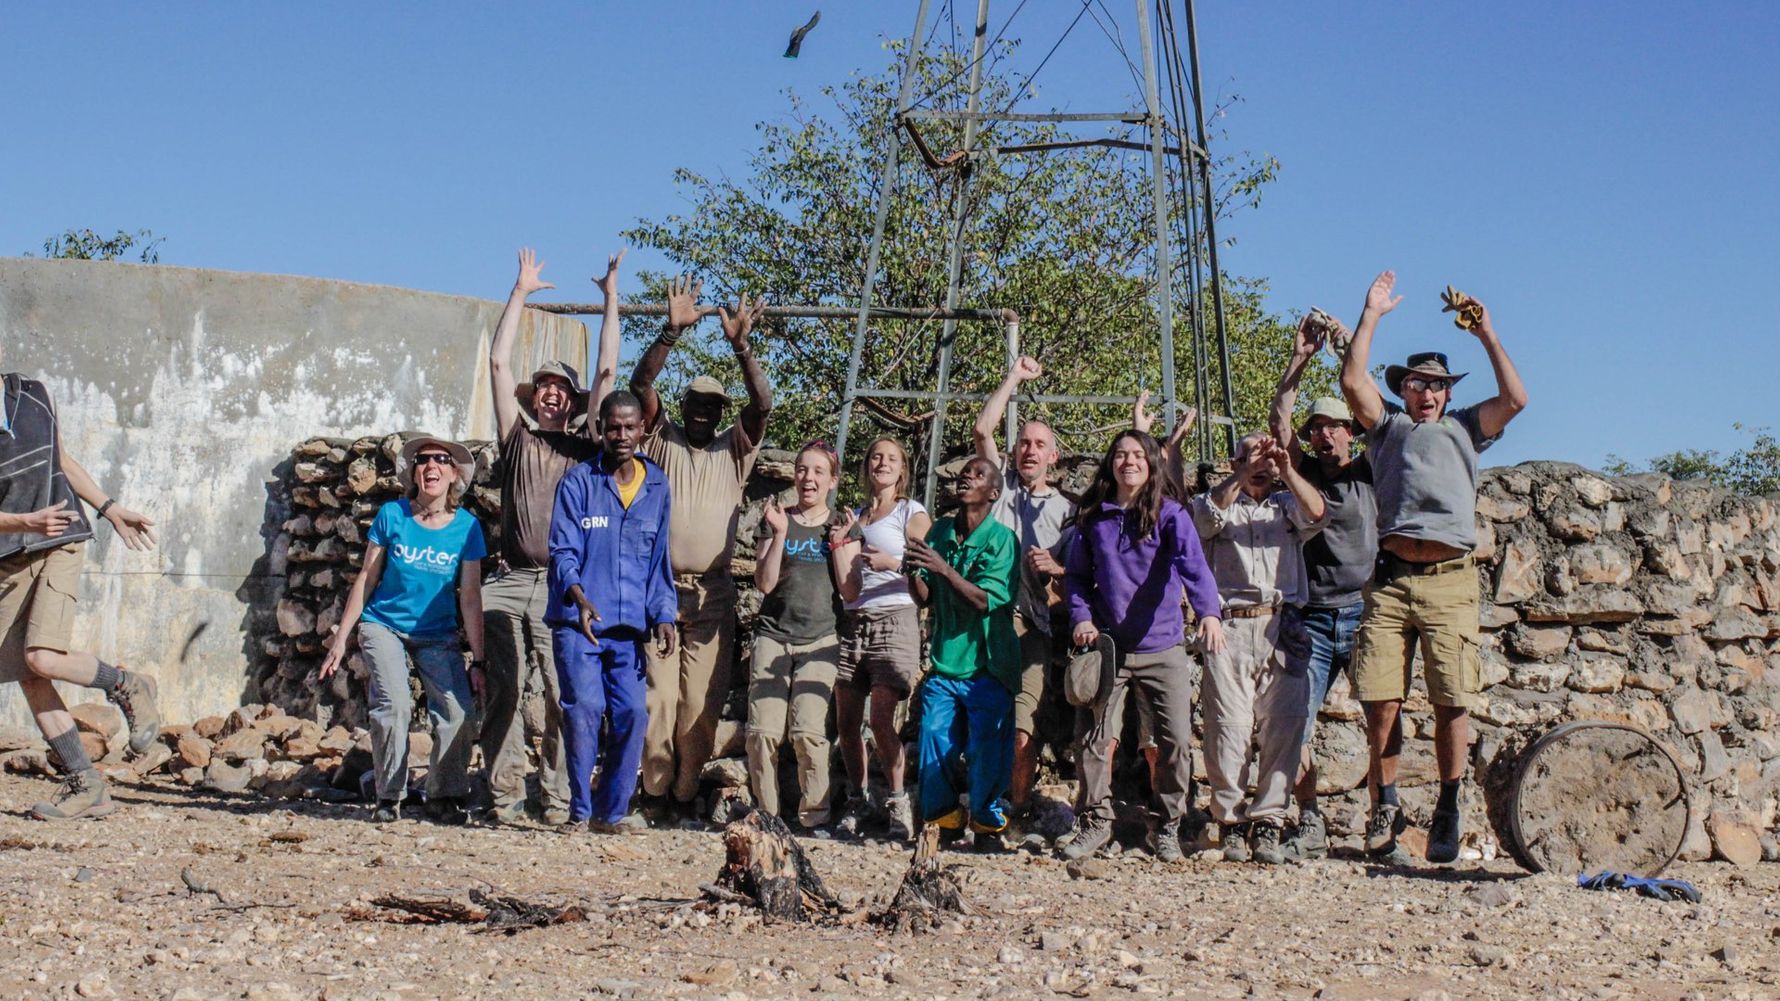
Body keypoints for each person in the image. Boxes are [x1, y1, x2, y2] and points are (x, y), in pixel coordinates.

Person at [1339, 270, 1528, 864]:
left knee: (1452, 701)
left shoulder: (1468, 429)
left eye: (1437, 385)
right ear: (1406, 388)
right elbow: (1352, 381)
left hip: (1450, 581)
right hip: (1392, 580)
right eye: (1418, 383)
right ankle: (1386, 806)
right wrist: (1370, 314)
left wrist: (1488, 333)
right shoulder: (1390, 427)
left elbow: (1516, 400)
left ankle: (1448, 807)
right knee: (1382, 699)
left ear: (1447, 394)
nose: (1427, 393)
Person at [478, 246, 625, 827]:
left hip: (564, 585)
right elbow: (496, 363)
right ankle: (502, 795)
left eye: (562, 387)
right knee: (503, 693)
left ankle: (559, 797)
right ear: (534, 397)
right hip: (510, 578)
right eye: (543, 385)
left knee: (568, 695)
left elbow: (608, 374)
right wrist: (520, 292)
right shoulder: (519, 439)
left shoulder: (588, 449)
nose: (552, 393)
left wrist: (611, 300)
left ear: (573, 401)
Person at [630, 277, 772, 822]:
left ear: (721, 414)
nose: (701, 413)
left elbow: (763, 403)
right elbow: (641, 384)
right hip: (661, 591)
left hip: (712, 596)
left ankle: (685, 796)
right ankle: (655, 794)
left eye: (712, 407)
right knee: (655, 702)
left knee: (699, 710)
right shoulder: (660, 441)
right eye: (694, 403)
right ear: (682, 406)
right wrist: (670, 332)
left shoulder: (733, 451)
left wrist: (741, 345)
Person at [0, 369, 161, 820]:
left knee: (42, 658)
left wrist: (110, 510)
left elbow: (62, 461)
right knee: (28, 674)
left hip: (60, 541)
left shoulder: (31, 394)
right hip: (11, 551)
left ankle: (127, 684)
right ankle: (86, 783)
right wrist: (22, 522)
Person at [1062, 430, 1223, 863]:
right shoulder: (1093, 518)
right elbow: (1075, 577)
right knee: (1097, 738)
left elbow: (1195, 566)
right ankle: (1095, 821)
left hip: (1164, 646)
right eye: (1120, 454)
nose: (1128, 462)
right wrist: (1082, 618)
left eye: (1137, 454)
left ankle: (1168, 824)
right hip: (1108, 648)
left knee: (1174, 742)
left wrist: (1209, 612)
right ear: (1110, 464)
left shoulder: (1171, 515)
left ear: (1152, 463)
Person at [322, 437, 487, 825]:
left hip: (437, 633)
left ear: (454, 474)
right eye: (423, 461)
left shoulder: (467, 528)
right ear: (414, 473)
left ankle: (443, 795)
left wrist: (478, 660)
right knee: (393, 703)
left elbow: (471, 597)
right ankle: (389, 795)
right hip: (384, 625)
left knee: (457, 713)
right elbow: (367, 577)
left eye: (441, 460)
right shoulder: (392, 516)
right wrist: (341, 639)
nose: (431, 467)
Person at [1269, 315, 1378, 860]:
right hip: (1311, 615)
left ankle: (1383, 825)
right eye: (1316, 427)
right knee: (1296, 722)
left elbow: (1370, 404)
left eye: (1333, 425)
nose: (1323, 432)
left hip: (1364, 614)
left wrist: (1342, 347)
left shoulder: (1373, 471)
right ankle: (1308, 822)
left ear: (1350, 432)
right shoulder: (1304, 472)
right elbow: (1278, 419)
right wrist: (1299, 358)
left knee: (1385, 720)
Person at [547, 391, 679, 833]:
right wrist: (579, 595)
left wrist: (664, 613)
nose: (621, 435)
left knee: (632, 714)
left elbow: (658, 559)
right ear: (600, 429)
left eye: (629, 427)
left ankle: (613, 812)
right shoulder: (578, 483)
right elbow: (563, 550)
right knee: (584, 707)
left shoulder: (657, 486)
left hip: (628, 629)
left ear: (643, 429)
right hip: (578, 624)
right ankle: (580, 811)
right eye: (612, 427)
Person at [1192, 432, 1326, 864]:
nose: (1261, 464)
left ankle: (1269, 820)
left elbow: (1319, 512)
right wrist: (1243, 471)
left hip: (1280, 623)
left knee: (1284, 726)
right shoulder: (1217, 503)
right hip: (1229, 627)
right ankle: (1230, 821)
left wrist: (1287, 468)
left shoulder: (1286, 505)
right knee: (1227, 728)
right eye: (1252, 455)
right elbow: (1201, 521)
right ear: (1235, 461)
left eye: (1266, 456)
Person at [970, 357, 1073, 846]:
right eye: (1024, 443)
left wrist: (1055, 572)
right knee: (977, 720)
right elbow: (982, 428)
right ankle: (978, 812)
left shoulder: (1068, 513)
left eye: (1039, 445)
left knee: (1022, 726)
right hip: (986, 623)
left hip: (1033, 629)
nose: (1029, 450)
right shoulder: (1001, 490)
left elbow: (1077, 586)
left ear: (1055, 457)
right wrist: (1013, 375)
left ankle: (1015, 812)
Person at [904, 456, 1021, 844]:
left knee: (987, 746)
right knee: (934, 735)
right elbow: (924, 597)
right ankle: (945, 818)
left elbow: (986, 601)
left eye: (978, 474)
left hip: (988, 662)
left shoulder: (1003, 540)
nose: (966, 477)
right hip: (945, 660)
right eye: (963, 472)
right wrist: (913, 570)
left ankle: (988, 823)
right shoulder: (938, 532)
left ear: (993, 493)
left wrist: (942, 569)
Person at [828, 436, 930, 841]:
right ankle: (858, 799)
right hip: (854, 621)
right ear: (867, 465)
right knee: (847, 721)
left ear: (902, 470)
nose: (882, 463)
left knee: (881, 719)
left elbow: (926, 559)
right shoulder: (855, 516)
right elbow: (847, 582)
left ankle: (898, 800)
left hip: (895, 617)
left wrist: (894, 562)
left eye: (891, 458)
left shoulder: (911, 511)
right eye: (875, 456)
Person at [746, 441, 844, 834]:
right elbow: (765, 582)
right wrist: (781, 534)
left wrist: (841, 542)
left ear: (832, 480)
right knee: (762, 733)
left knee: (808, 734)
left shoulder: (839, 524)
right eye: (803, 470)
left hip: (821, 638)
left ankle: (814, 817)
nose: (809, 478)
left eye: (819, 472)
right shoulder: (775, 518)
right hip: (774, 636)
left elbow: (850, 590)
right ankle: (768, 818)